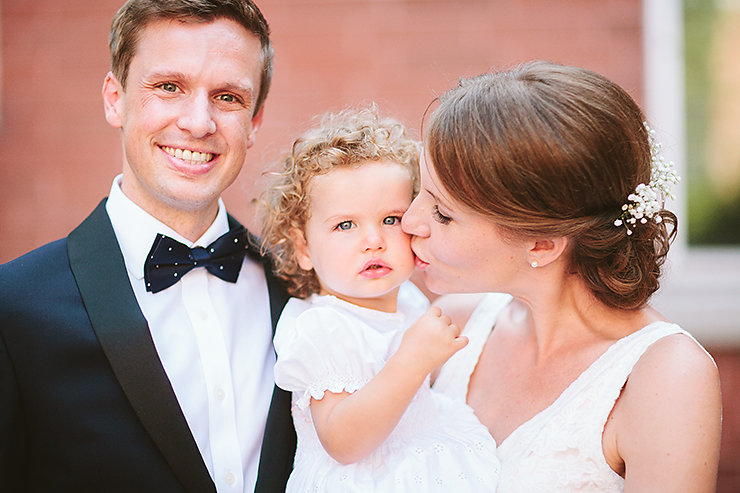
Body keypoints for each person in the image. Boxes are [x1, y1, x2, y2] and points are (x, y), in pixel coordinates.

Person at [0, 1, 296, 491]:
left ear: (255, 119)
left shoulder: (302, 288)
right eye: (168, 87)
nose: (199, 122)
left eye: (228, 97)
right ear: (115, 99)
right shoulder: (14, 308)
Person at [401, 61, 722, 492]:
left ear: (542, 245)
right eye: (418, 190)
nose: (408, 221)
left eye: (443, 213)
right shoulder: (453, 327)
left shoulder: (664, 376)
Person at [260, 106, 501, 491]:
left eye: (391, 219)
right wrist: (414, 359)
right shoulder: (323, 328)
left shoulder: (407, 298)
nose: (373, 241)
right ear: (303, 246)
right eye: (345, 225)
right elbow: (343, 441)